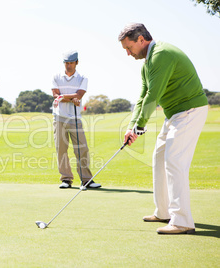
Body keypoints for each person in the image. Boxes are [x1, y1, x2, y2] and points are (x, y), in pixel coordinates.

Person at [118, 23, 208, 234]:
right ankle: (164, 211)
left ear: (141, 39)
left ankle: (182, 220)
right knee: (159, 158)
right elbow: (142, 96)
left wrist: (140, 126)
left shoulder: (161, 54)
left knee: (174, 160)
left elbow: (153, 96)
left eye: (128, 47)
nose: (127, 53)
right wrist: (132, 126)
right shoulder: (146, 64)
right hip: (174, 114)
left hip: (190, 110)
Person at [51, 50, 101, 190]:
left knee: (82, 149)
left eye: (71, 63)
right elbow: (56, 95)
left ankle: (86, 180)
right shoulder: (56, 76)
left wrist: (64, 97)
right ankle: (66, 179)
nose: (69, 66)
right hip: (59, 118)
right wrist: (71, 98)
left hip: (75, 118)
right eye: (66, 63)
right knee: (61, 149)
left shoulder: (82, 78)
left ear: (77, 63)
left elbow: (79, 94)